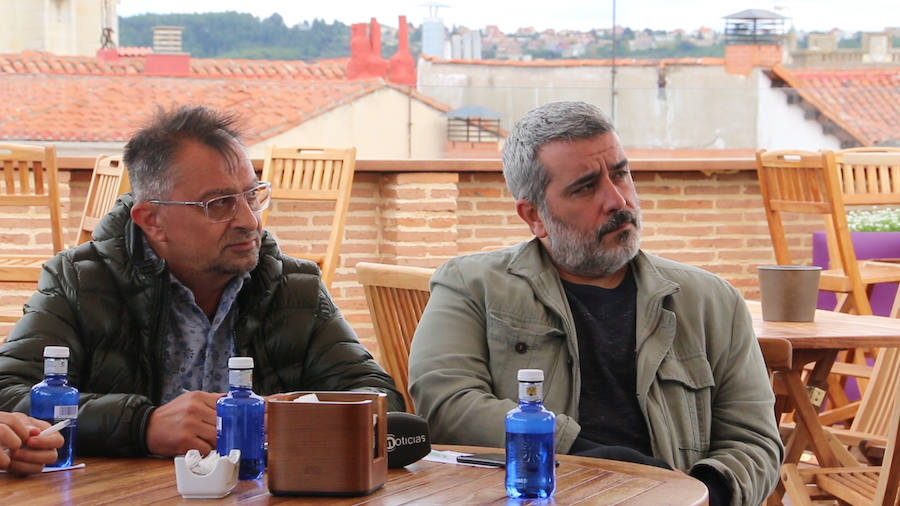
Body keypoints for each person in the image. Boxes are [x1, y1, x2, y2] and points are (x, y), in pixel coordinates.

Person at [408, 101, 783, 505]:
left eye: (621, 174)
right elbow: (446, 405)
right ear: (534, 215)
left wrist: (699, 496)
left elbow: (755, 442)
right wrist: (597, 462)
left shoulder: (712, 301)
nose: (617, 200)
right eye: (586, 187)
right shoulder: (471, 285)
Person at [0, 105, 403, 458]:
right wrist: (143, 426)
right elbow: (8, 395)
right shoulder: (80, 282)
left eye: (252, 195)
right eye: (219, 204)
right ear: (152, 221)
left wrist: (286, 416)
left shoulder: (292, 287)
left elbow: (380, 401)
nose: (248, 220)